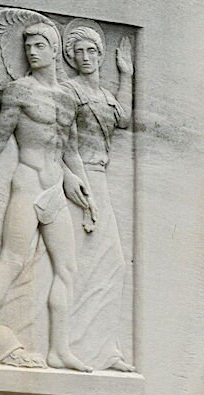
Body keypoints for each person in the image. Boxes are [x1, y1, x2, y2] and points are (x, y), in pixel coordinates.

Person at [0, 21, 96, 372]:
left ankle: (59, 349)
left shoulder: (68, 98)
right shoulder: (19, 91)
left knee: (67, 268)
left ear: (55, 49)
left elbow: (70, 150)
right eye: (28, 45)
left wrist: (85, 190)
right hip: (28, 183)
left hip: (56, 188)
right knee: (11, 259)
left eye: (39, 44)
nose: (31, 51)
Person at [61, 21, 135, 372]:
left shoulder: (106, 95)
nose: (86, 57)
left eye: (92, 51)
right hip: (83, 177)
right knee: (85, 262)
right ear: (71, 58)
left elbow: (123, 118)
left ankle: (105, 348)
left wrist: (126, 75)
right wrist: (73, 178)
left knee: (113, 264)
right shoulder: (68, 91)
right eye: (79, 52)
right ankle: (73, 344)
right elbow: (63, 142)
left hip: (102, 176)